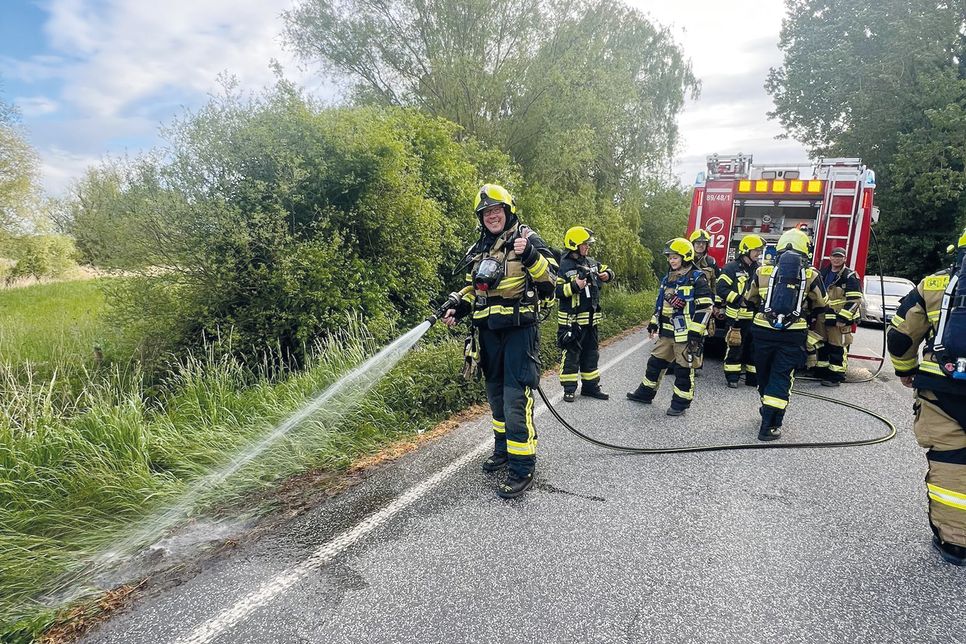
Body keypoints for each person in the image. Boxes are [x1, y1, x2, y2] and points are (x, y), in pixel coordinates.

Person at [442, 184, 558, 499]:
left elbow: (552, 282)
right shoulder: (478, 248)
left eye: (496, 210)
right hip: (488, 334)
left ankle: (523, 467)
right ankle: (503, 451)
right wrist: (457, 306)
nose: (492, 216)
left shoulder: (526, 238)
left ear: (507, 211)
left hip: (519, 333)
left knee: (514, 398)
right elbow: (473, 291)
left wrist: (531, 255)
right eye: (486, 213)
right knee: (495, 398)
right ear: (481, 218)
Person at [887, 227, 966, 566]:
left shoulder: (934, 285)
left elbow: (901, 336)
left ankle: (955, 544)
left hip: (945, 392)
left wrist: (905, 371)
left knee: (951, 462)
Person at [742, 228, 828, 440]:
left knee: (764, 373)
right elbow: (822, 302)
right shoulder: (811, 275)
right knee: (781, 376)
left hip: (762, 331)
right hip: (792, 335)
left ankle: (767, 407)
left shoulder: (762, 272)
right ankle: (769, 425)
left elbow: (748, 298)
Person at [626, 238, 713, 416]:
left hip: (686, 335)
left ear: (685, 256)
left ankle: (681, 403)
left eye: (674, 257)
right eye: (669, 258)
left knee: (683, 370)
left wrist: (696, 332)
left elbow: (706, 307)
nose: (671, 261)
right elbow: (660, 304)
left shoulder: (697, 278)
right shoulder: (668, 278)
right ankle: (645, 393)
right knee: (655, 363)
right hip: (667, 332)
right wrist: (653, 321)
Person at [556, 226, 615, 402]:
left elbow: (608, 270)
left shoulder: (591, 262)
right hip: (571, 321)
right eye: (584, 244)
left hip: (591, 320)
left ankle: (590, 387)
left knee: (591, 354)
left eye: (588, 244)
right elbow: (555, 290)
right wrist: (575, 286)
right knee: (571, 356)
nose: (587, 247)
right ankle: (569, 389)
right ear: (574, 244)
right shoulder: (562, 265)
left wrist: (607, 275)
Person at [716, 234, 765, 388]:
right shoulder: (731, 268)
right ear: (746, 250)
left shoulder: (760, 270)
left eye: (760, 250)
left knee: (754, 348)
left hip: (755, 318)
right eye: (756, 250)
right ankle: (732, 377)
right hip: (736, 318)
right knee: (735, 348)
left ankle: (752, 379)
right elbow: (721, 288)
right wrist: (738, 299)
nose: (759, 253)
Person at [816, 247, 862, 387]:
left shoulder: (849, 276)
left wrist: (843, 319)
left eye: (839, 257)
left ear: (844, 259)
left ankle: (836, 376)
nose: (836, 259)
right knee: (821, 344)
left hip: (838, 320)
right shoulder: (822, 273)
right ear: (830, 258)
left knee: (838, 347)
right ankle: (822, 371)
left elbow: (855, 301)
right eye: (834, 256)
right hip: (823, 318)